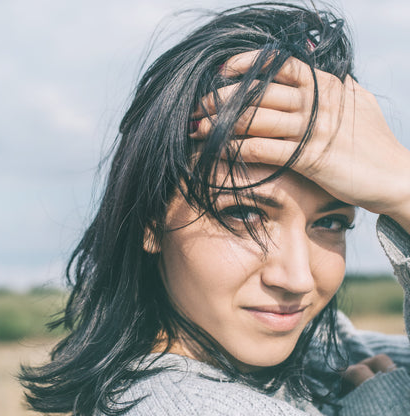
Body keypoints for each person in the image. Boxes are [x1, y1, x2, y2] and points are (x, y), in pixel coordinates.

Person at [21, 2, 410, 415]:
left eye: (330, 222)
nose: (296, 279)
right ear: (150, 217)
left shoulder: (324, 354)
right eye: (243, 214)